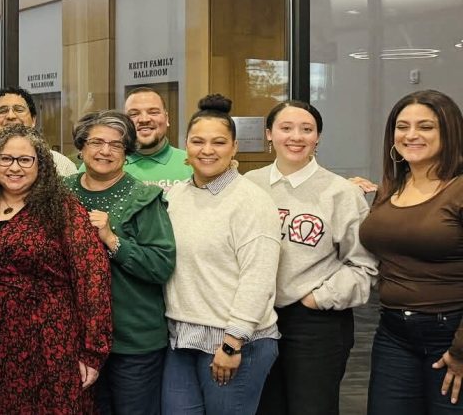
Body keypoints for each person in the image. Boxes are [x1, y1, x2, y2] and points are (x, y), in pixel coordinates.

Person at [0, 123, 112, 414]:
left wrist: (92, 352)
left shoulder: (64, 209)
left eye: (25, 159)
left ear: (41, 164)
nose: (14, 167)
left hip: (50, 342)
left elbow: (93, 279)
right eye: (5, 159)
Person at [243, 100, 377, 415]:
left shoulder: (341, 192)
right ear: (269, 134)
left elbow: (364, 265)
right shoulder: (249, 185)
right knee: (263, 407)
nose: (296, 136)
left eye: (307, 129)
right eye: (286, 128)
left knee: (312, 407)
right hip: (256, 320)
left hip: (316, 324)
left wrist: (317, 299)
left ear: (318, 137)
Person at [162, 94, 280, 415]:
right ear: (185, 146)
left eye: (218, 142)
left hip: (235, 342)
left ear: (234, 148)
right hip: (181, 338)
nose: (207, 150)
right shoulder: (176, 195)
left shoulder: (251, 201)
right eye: (198, 141)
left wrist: (232, 342)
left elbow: (259, 277)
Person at [64, 110, 175, 415]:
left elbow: (161, 265)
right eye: (96, 142)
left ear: (127, 153)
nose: (105, 151)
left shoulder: (145, 197)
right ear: (81, 147)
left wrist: (112, 239)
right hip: (75, 341)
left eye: (116, 145)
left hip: (132, 343)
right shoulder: (61, 193)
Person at [359, 89, 463, 414]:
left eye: (426, 126)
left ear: (449, 131)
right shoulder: (391, 188)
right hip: (393, 333)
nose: (411, 134)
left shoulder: (458, 189)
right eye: (402, 126)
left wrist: (462, 349)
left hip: (451, 334)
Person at [0, 86, 78, 193]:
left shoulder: (62, 166)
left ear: (33, 120)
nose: (11, 116)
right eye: (3, 111)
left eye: (19, 109)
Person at [122, 87, 191, 192]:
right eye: (134, 114)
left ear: (167, 118)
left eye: (153, 112)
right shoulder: (106, 164)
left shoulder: (192, 164)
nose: (144, 119)